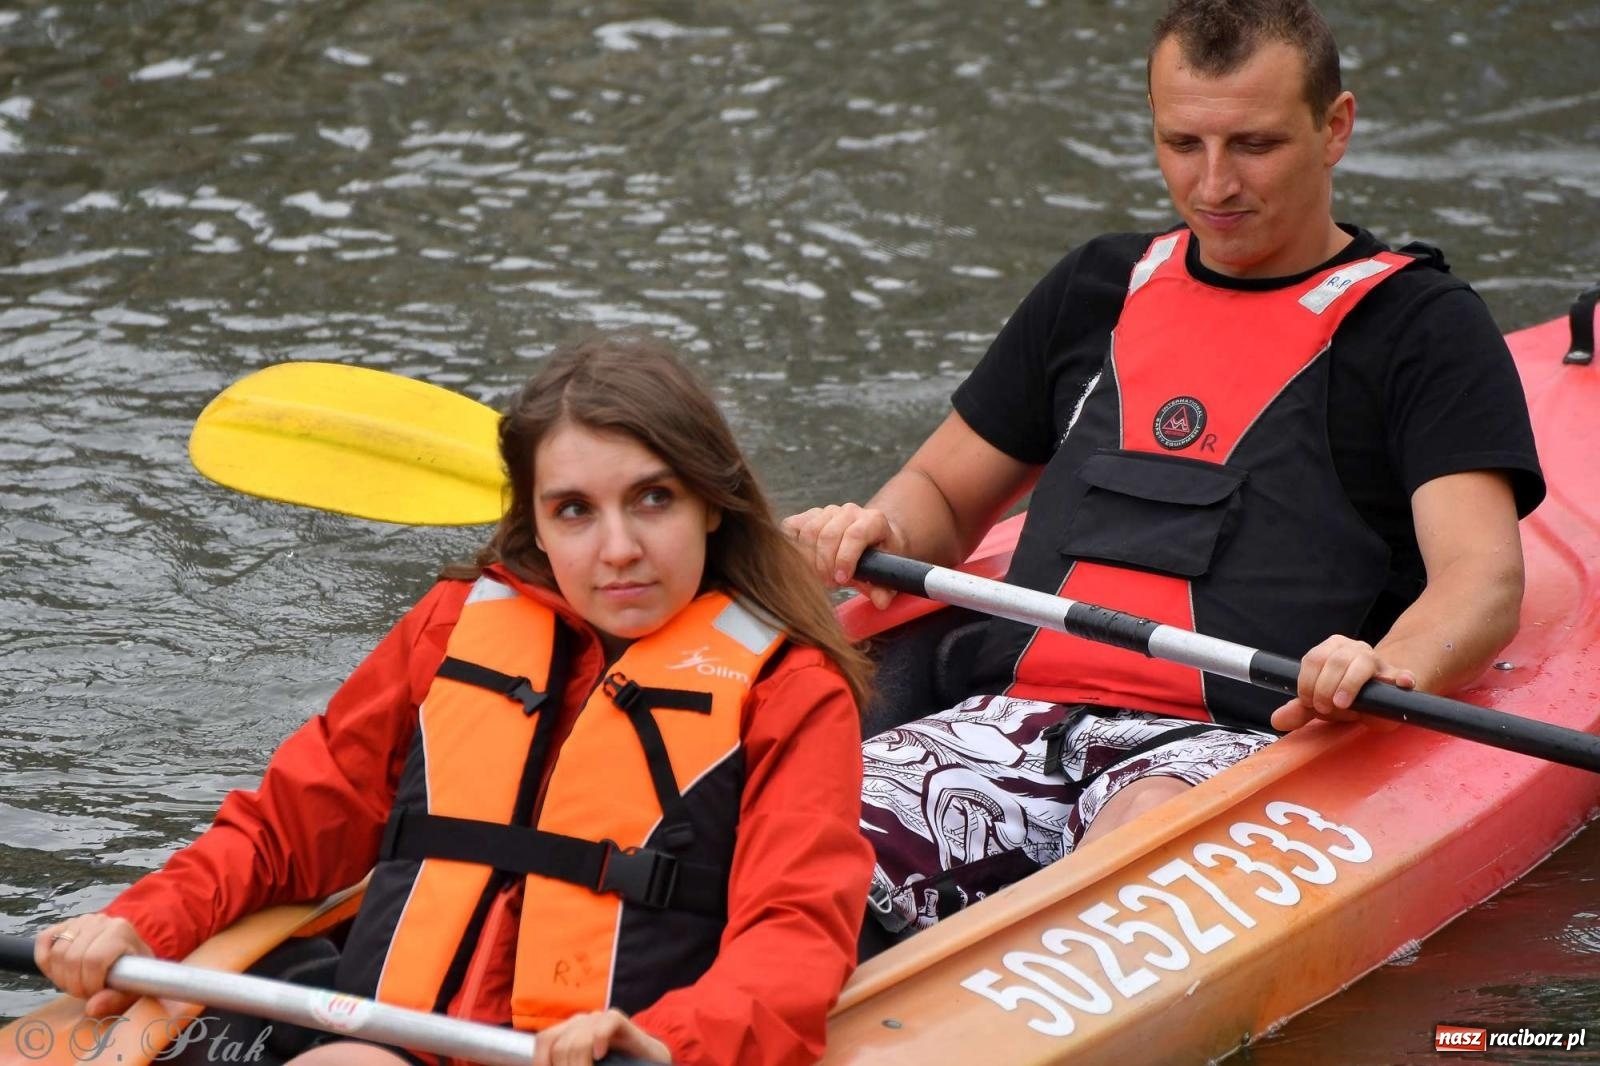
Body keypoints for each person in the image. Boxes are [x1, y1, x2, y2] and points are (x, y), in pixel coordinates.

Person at [785, 0, 1543, 942]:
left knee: (1127, 856)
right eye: (1183, 143)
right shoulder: (1096, 286)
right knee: (787, 844)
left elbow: (1481, 579)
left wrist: (1390, 664)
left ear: (1335, 127)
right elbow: (939, 495)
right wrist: (878, 529)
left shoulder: (1423, 330)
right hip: (1010, 724)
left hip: (1243, 746)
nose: (1213, 183)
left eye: (1254, 144)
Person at [35, 335, 876, 1066]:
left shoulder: (790, 689)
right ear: (535, 524)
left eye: (653, 498)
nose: (619, 548)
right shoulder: (452, 626)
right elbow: (290, 828)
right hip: (387, 1040)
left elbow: (795, 932)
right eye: (575, 511)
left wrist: (667, 1043)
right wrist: (146, 920)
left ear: (712, 505)